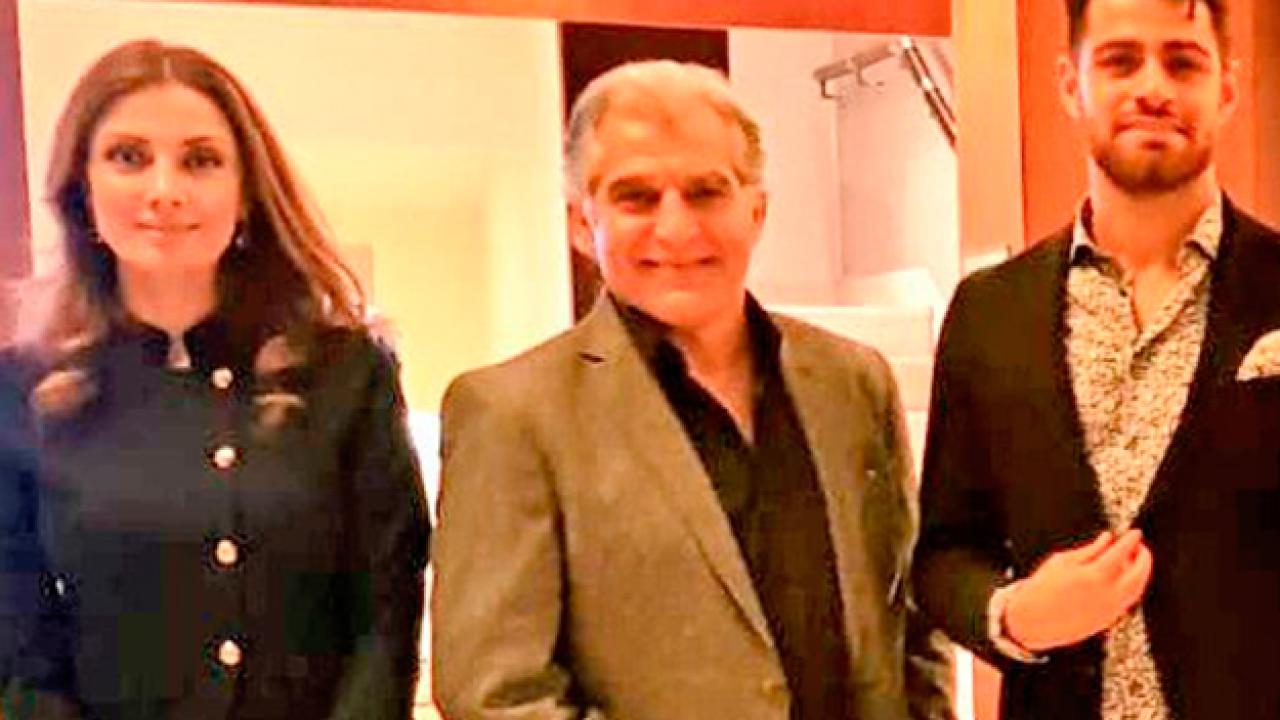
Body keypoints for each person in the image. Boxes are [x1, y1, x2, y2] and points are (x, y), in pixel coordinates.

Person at [431, 59, 953, 720]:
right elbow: (496, 697)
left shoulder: (853, 383)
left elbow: (910, 628)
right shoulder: (512, 415)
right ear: (581, 223)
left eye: (707, 192)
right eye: (636, 197)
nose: (677, 229)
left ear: (757, 211)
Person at [0, 39, 430, 720]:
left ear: (246, 191)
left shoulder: (347, 375)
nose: (165, 190)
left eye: (200, 160)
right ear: (81, 187)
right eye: (128, 157)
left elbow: (384, 618)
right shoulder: (20, 393)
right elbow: (23, 656)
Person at [913, 1, 1280, 718]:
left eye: (1183, 62)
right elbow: (944, 553)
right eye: (1119, 61)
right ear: (1070, 83)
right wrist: (1015, 613)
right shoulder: (989, 312)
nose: (1153, 88)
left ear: (1227, 88)